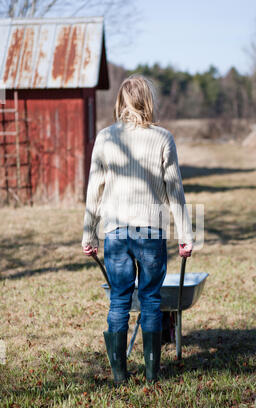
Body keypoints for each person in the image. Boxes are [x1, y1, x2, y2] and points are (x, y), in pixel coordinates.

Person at [82, 74, 193, 385]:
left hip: (115, 231)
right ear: (148, 101)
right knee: (151, 298)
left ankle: (120, 376)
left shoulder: (105, 138)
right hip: (150, 231)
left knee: (119, 299)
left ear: (121, 102)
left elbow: (94, 190)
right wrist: (185, 235)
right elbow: (175, 191)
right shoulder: (162, 138)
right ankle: (151, 374)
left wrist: (88, 235)